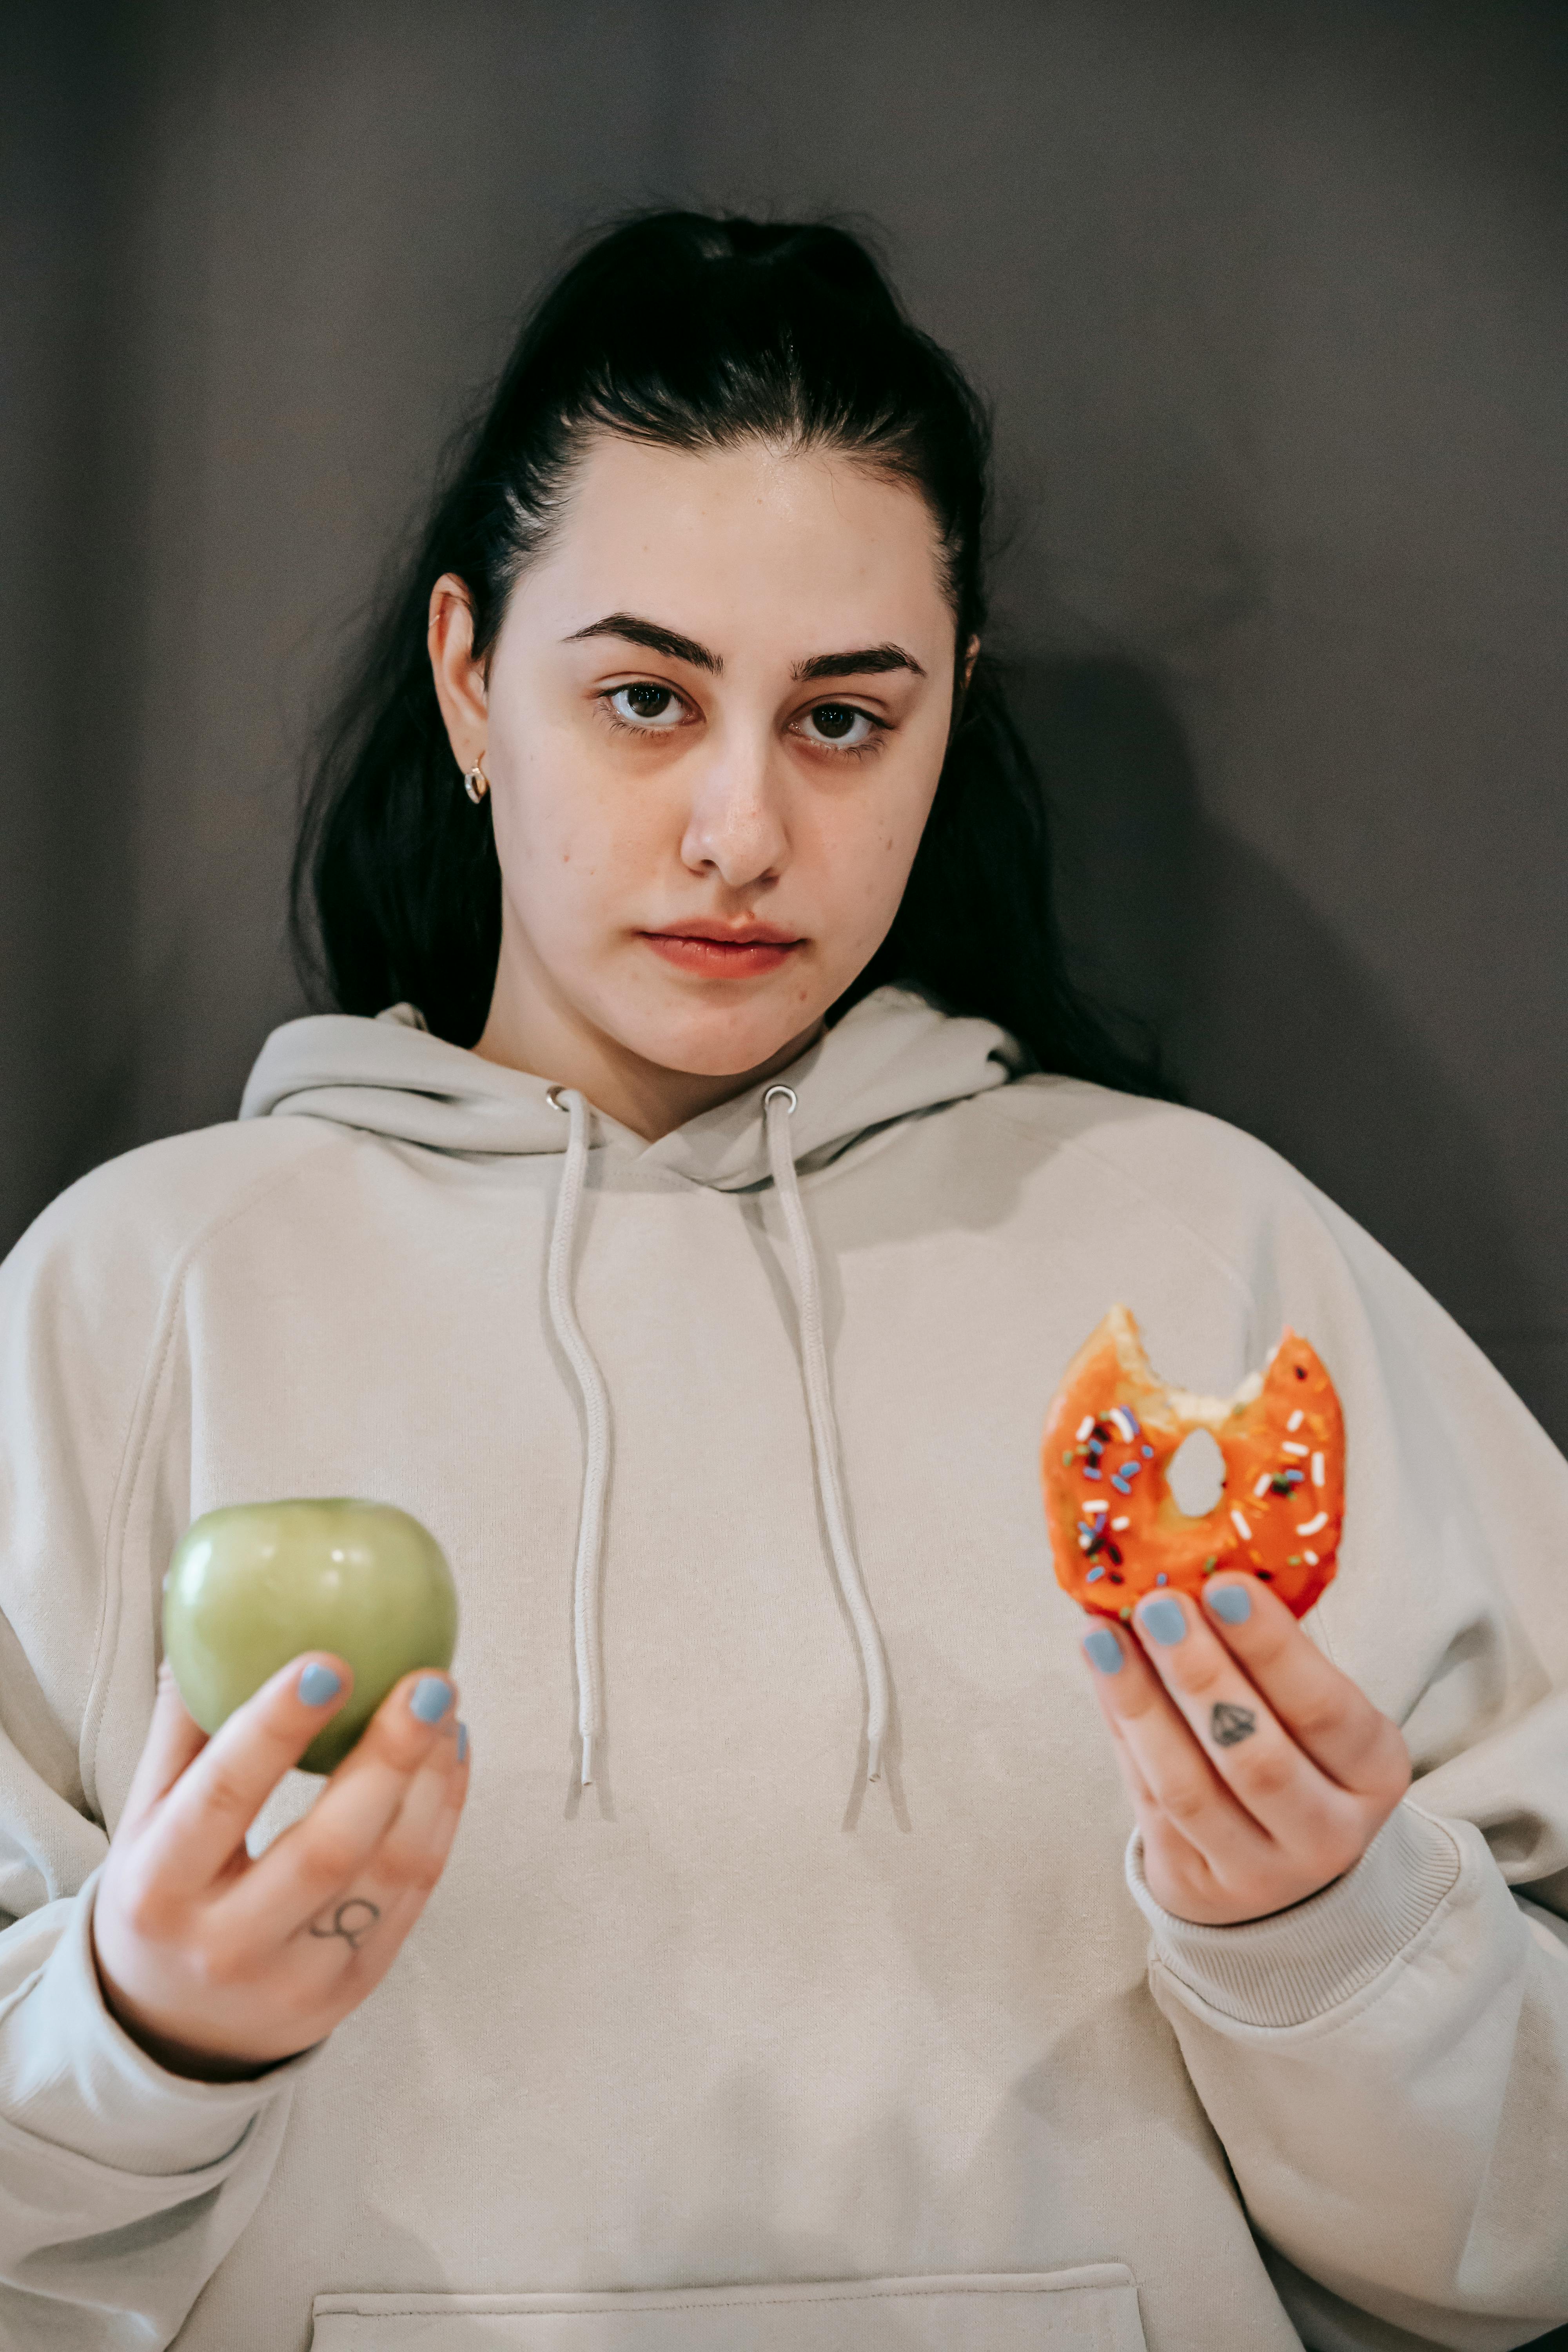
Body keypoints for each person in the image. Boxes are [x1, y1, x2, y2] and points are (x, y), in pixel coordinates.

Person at [0, 211, 1564, 2352]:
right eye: (645, 698)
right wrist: (139, 2037)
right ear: (472, 677)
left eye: (842, 720)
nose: (742, 826)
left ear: (951, 720)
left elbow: (1532, 2234)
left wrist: (1325, 1934)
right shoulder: (130, 1300)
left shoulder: (1213, 1257)